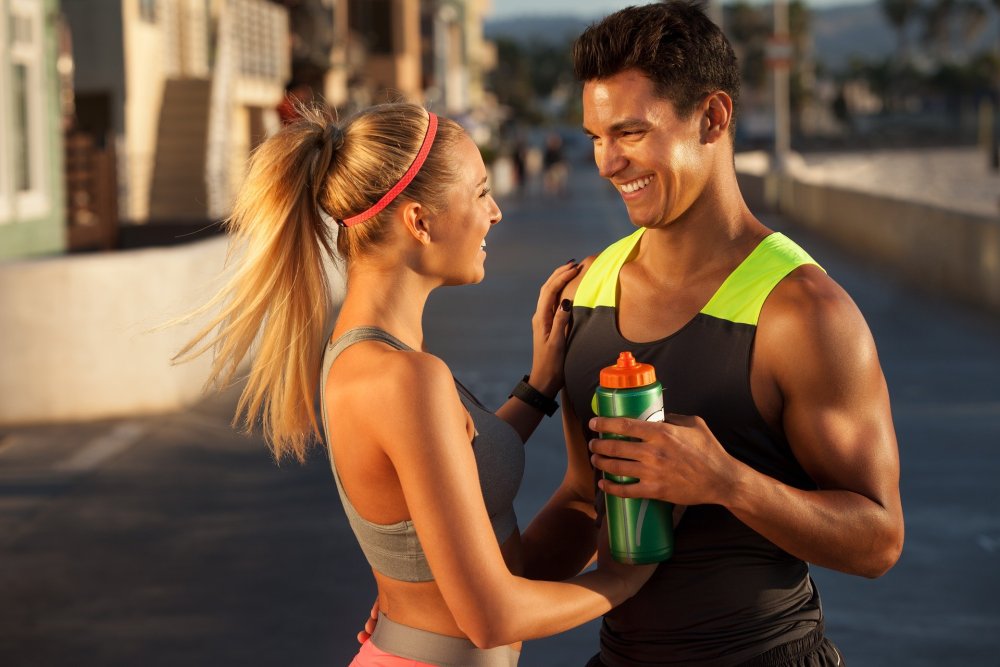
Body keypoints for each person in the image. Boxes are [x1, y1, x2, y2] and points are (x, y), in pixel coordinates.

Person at [175, 102, 654, 667]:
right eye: (479, 192)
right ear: (419, 222)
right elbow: (491, 618)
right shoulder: (405, 377)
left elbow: (456, 463)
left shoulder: (362, 354)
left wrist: (540, 385)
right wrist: (627, 577)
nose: (496, 212)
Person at [518, 3, 905, 666]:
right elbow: (587, 496)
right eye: (595, 136)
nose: (607, 162)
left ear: (713, 118)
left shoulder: (805, 312)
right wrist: (457, 596)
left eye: (631, 133)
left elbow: (878, 539)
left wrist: (728, 480)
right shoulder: (590, 287)